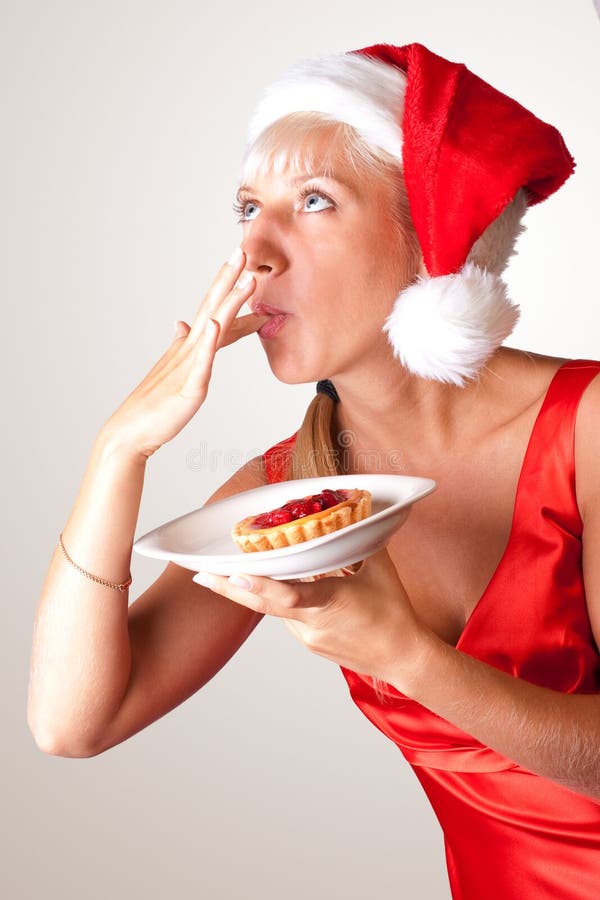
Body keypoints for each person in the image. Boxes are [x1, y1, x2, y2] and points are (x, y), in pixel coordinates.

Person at [27, 42, 600, 899]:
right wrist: (120, 449)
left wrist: (408, 657)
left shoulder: (585, 428)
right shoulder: (292, 487)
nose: (255, 250)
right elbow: (74, 721)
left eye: (314, 202)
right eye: (248, 208)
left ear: (428, 237)